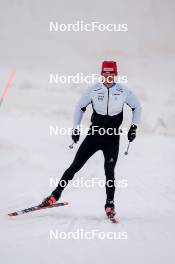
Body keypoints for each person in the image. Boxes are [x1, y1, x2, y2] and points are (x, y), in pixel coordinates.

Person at [41, 61, 142, 217]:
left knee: (109, 171)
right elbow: (79, 107)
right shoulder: (93, 89)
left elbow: (137, 107)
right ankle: (54, 195)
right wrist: (76, 127)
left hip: (112, 138)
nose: (108, 78)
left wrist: (134, 127)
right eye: (105, 75)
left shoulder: (124, 91)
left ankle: (110, 204)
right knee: (75, 166)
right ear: (102, 74)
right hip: (94, 136)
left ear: (116, 75)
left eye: (111, 75)